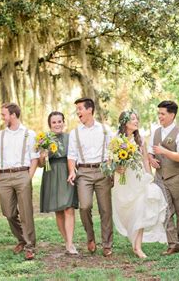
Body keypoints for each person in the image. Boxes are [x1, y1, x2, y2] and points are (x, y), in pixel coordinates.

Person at [112, 110, 168, 258]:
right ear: (124, 122)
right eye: (132, 119)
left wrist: (149, 176)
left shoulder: (141, 140)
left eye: (137, 119)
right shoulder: (116, 139)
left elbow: (144, 160)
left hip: (138, 178)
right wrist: (117, 167)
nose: (136, 121)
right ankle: (133, 239)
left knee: (141, 209)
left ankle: (138, 247)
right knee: (128, 212)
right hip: (123, 179)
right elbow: (110, 161)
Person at [67, 98, 114, 257]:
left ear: (90, 110)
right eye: (77, 109)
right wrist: (72, 171)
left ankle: (107, 244)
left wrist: (109, 168)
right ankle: (90, 236)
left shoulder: (105, 130)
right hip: (84, 173)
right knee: (85, 206)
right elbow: (71, 155)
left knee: (105, 210)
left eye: (80, 109)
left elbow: (111, 151)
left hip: (102, 172)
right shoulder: (75, 133)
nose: (78, 112)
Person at [0, 103, 39, 260]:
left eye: (4, 114)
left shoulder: (29, 134)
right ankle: (21, 238)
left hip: (22, 174)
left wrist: (28, 177)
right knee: (9, 212)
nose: (2, 117)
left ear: (13, 115)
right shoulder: (0, 135)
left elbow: (34, 159)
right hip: (4, 177)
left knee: (26, 212)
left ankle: (30, 245)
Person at [148, 100, 179, 255]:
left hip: (177, 178)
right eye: (159, 113)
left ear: (172, 115)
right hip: (160, 178)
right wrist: (151, 159)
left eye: (162, 114)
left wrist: (164, 151)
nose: (160, 116)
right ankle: (172, 243)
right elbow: (149, 152)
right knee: (166, 211)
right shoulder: (155, 133)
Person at [39, 112, 78, 255]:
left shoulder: (70, 138)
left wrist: (73, 170)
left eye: (59, 121)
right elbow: (40, 163)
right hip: (52, 173)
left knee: (68, 208)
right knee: (59, 210)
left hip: (67, 172)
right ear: (50, 125)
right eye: (54, 122)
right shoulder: (44, 139)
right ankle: (66, 241)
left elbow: (75, 156)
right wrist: (44, 156)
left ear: (63, 122)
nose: (57, 124)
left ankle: (70, 243)